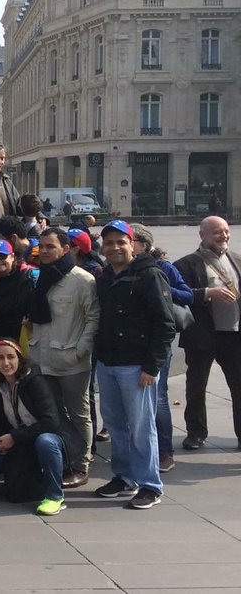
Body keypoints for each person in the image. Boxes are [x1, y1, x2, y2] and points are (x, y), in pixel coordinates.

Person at [93, 220, 176, 510]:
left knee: (141, 427)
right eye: (109, 243)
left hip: (136, 365)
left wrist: (152, 367)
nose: (114, 248)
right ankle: (124, 476)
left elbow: (165, 324)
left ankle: (150, 485)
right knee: (116, 425)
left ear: (133, 245)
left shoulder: (149, 275)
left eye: (120, 242)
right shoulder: (105, 278)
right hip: (108, 363)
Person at [173, 215, 241, 452]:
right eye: (217, 232)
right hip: (202, 335)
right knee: (196, 385)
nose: (223, 236)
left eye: (225, 231)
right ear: (202, 235)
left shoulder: (237, 259)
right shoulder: (186, 264)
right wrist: (207, 293)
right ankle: (196, 433)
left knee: (238, 385)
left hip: (233, 335)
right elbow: (177, 293)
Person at [0, 338, 68, 515]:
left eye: (11, 357)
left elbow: (51, 422)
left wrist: (14, 437)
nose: (6, 363)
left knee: (46, 441)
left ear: (19, 359)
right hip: (20, 443)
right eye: (0, 358)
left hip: (48, 439)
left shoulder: (35, 381)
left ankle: (55, 496)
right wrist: (0, 441)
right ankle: (26, 478)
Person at [131, 223, 193, 472]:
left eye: (128, 240)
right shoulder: (119, 268)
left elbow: (187, 295)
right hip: (131, 342)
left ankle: (165, 450)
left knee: (158, 397)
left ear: (143, 244)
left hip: (158, 341)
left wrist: (160, 288)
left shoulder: (163, 267)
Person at [0, 239, 35, 342]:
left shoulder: (28, 276)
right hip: (0, 337)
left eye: (2, 256)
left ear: (12, 257)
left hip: (25, 337)